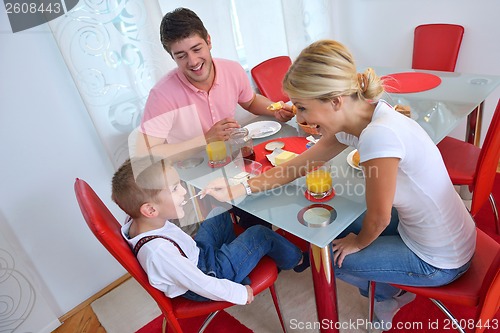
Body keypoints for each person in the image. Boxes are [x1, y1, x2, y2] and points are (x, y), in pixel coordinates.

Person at [202, 40, 476, 328]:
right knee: (340, 225)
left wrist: (358, 243)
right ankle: (390, 287)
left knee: (329, 263)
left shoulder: (378, 136)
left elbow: (380, 218)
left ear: (335, 101)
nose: (300, 117)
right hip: (447, 232)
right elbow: (302, 163)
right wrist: (244, 187)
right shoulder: (367, 114)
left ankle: (387, 297)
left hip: (441, 260)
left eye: (304, 108)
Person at [111, 157, 309, 305]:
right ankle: (297, 259)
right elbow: (200, 283)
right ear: (150, 209)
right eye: (174, 189)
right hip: (209, 274)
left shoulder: (141, 221)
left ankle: (244, 253)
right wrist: (239, 294)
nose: (183, 191)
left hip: (199, 255)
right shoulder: (159, 252)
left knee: (218, 213)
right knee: (259, 234)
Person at [135, 7, 295, 160]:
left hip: (233, 158)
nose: (193, 61)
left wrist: (275, 110)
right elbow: (146, 155)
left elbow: (251, 101)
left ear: (208, 41)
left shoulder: (232, 69)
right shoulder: (162, 95)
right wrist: (206, 139)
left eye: (197, 49)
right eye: (181, 56)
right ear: (172, 57)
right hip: (192, 170)